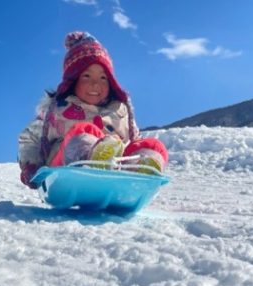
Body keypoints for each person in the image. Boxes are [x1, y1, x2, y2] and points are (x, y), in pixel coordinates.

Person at [18, 31, 168, 189]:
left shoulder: (118, 110)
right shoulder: (57, 110)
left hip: (116, 173)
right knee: (83, 131)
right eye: (86, 76)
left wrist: (139, 151)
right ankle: (91, 160)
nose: (95, 84)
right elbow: (29, 137)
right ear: (73, 80)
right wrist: (31, 165)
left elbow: (134, 138)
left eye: (103, 78)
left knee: (152, 145)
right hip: (64, 174)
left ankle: (141, 172)